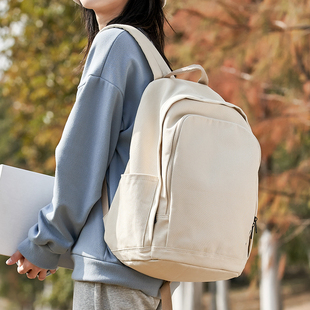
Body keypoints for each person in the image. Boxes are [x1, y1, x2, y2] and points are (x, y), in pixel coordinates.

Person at [6, 0, 170, 308]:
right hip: (146, 272)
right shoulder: (151, 55)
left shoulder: (115, 43)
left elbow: (81, 160)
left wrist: (47, 242)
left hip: (110, 271)